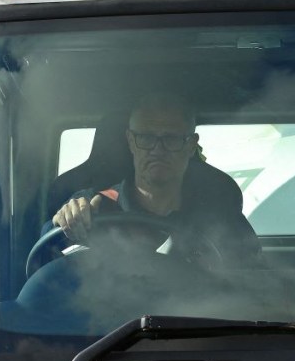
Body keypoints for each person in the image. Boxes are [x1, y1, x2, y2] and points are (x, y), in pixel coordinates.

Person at [50, 92, 263, 268]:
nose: (158, 150)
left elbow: (252, 277)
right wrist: (67, 220)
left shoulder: (217, 215)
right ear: (130, 141)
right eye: (146, 138)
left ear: (191, 145)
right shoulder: (97, 205)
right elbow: (47, 250)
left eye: (171, 138)